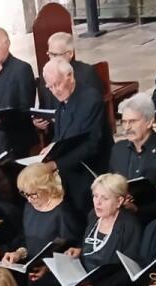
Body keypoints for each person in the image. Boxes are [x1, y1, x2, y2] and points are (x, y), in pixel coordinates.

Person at [76, 173, 145, 286]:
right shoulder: (93, 216)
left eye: (104, 198)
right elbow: (91, 248)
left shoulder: (130, 225)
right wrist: (78, 251)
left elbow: (131, 270)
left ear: (119, 200)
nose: (97, 203)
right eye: (95, 196)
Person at [2, 163, 82, 286]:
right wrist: (18, 254)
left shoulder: (63, 212)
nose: (29, 199)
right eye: (25, 194)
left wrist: (48, 268)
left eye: (33, 194)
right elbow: (27, 240)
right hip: (35, 281)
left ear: (47, 188)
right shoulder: (29, 208)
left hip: (58, 285)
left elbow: (74, 250)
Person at [41, 58, 112, 215]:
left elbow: (91, 145)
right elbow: (62, 137)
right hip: (71, 170)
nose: (55, 91)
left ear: (70, 76)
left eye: (57, 84)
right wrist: (51, 146)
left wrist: (56, 164)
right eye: (50, 87)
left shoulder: (90, 99)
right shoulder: (62, 103)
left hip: (91, 171)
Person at [109, 92, 156, 224]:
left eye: (133, 121)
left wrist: (138, 209)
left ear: (149, 122)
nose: (127, 127)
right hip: (122, 221)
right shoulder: (118, 149)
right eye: (124, 122)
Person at [0, 27, 36, 156]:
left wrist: (0, 121)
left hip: (15, 140)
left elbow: (25, 110)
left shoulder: (22, 69)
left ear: (7, 43)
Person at [35, 32, 102, 113]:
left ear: (70, 54)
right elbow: (43, 106)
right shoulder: (46, 74)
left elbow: (94, 106)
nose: (52, 59)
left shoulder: (86, 73)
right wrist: (39, 121)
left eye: (55, 55)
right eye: (50, 54)